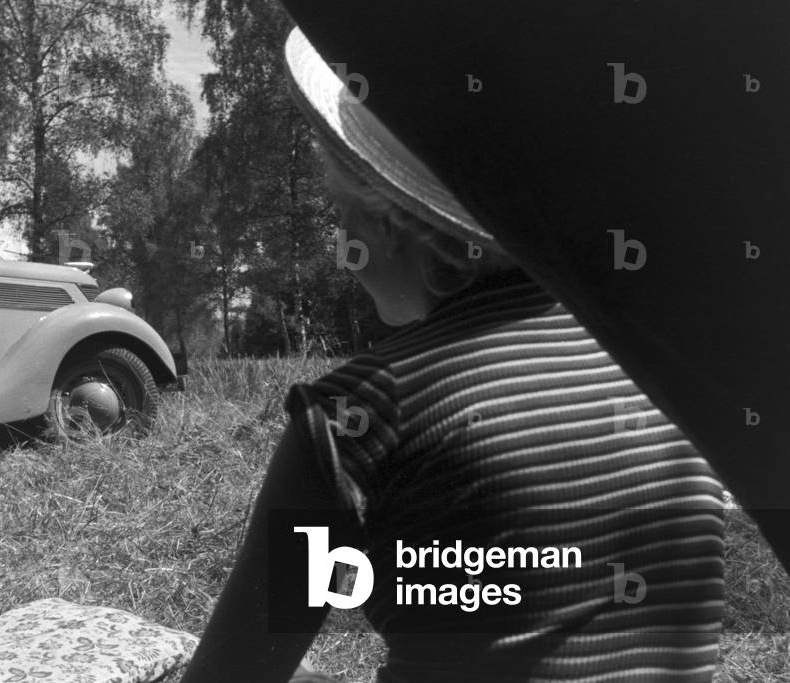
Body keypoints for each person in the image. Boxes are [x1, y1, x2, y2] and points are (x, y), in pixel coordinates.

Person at [178, 27, 725, 683]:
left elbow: (234, 673)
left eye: (339, 210)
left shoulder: (359, 414)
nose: (337, 240)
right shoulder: (668, 370)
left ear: (394, 223)